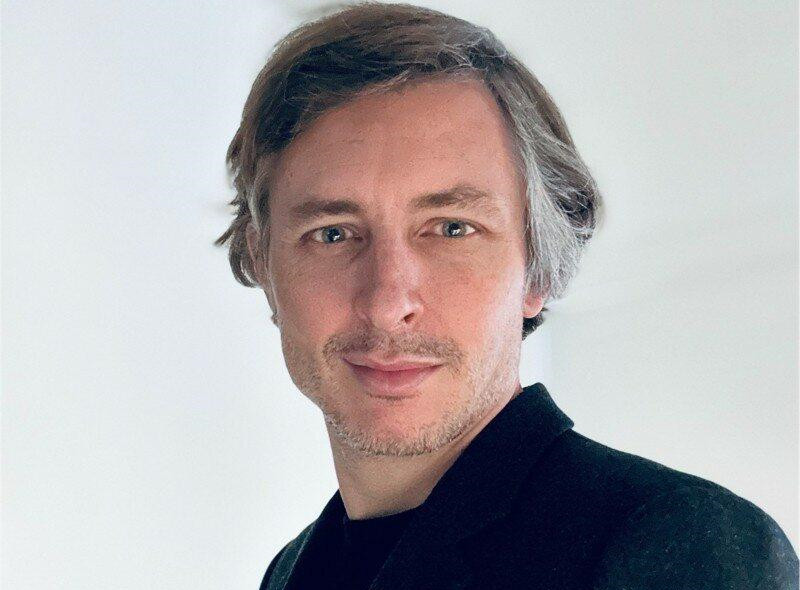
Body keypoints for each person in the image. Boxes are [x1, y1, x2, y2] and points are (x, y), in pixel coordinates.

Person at [214, 3, 798, 589]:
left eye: (451, 228)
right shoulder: (290, 572)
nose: (388, 304)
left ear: (537, 269)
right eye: (332, 234)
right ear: (263, 262)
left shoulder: (682, 541)